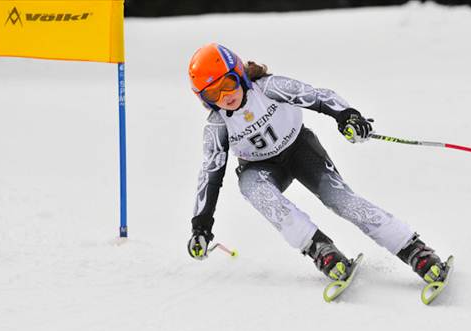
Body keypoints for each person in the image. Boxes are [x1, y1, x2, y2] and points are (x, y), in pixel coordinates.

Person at [187, 43, 448, 284]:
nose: (225, 95)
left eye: (229, 83)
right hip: (262, 168)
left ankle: (413, 249)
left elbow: (318, 96)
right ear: (204, 98)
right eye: (213, 92)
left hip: (300, 150)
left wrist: (347, 116)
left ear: (240, 74)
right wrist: (201, 225)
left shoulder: (268, 88)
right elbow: (211, 174)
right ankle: (319, 248)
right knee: (250, 186)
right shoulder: (217, 126)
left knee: (338, 199)